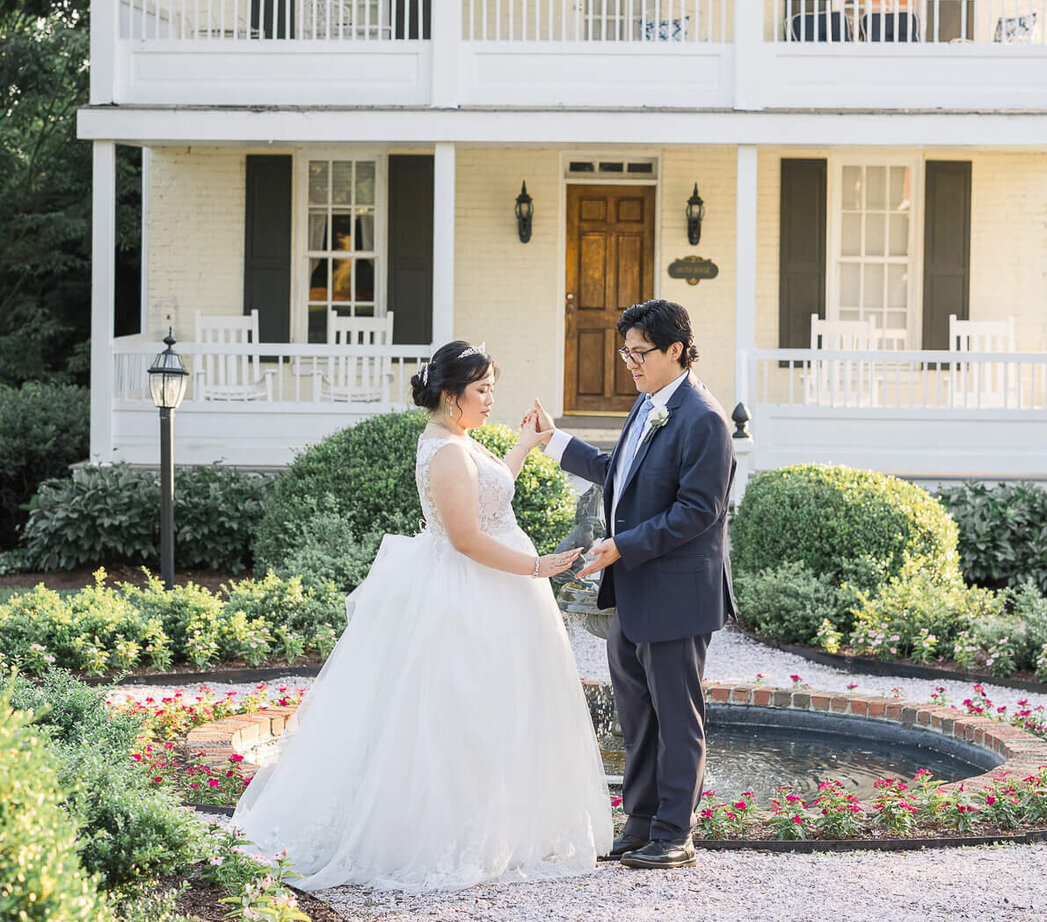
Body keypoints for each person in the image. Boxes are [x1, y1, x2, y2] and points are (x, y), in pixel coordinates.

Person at [232, 341, 613, 891]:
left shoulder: (459, 441)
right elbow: (465, 538)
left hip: (495, 589)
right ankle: (445, 835)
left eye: (491, 390)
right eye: (481, 391)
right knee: (461, 712)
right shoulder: (448, 451)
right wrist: (535, 567)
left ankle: (499, 826)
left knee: (502, 709)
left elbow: (489, 497)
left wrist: (527, 446)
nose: (490, 400)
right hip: (472, 593)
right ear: (451, 395)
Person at [536, 298, 736, 870]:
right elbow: (617, 472)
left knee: (677, 716)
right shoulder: (648, 404)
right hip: (632, 592)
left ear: (677, 350)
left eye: (640, 353)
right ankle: (641, 822)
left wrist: (622, 546)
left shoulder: (704, 418)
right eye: (626, 353)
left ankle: (676, 833)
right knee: (638, 715)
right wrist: (556, 442)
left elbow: (699, 511)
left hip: (675, 593)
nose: (631, 363)